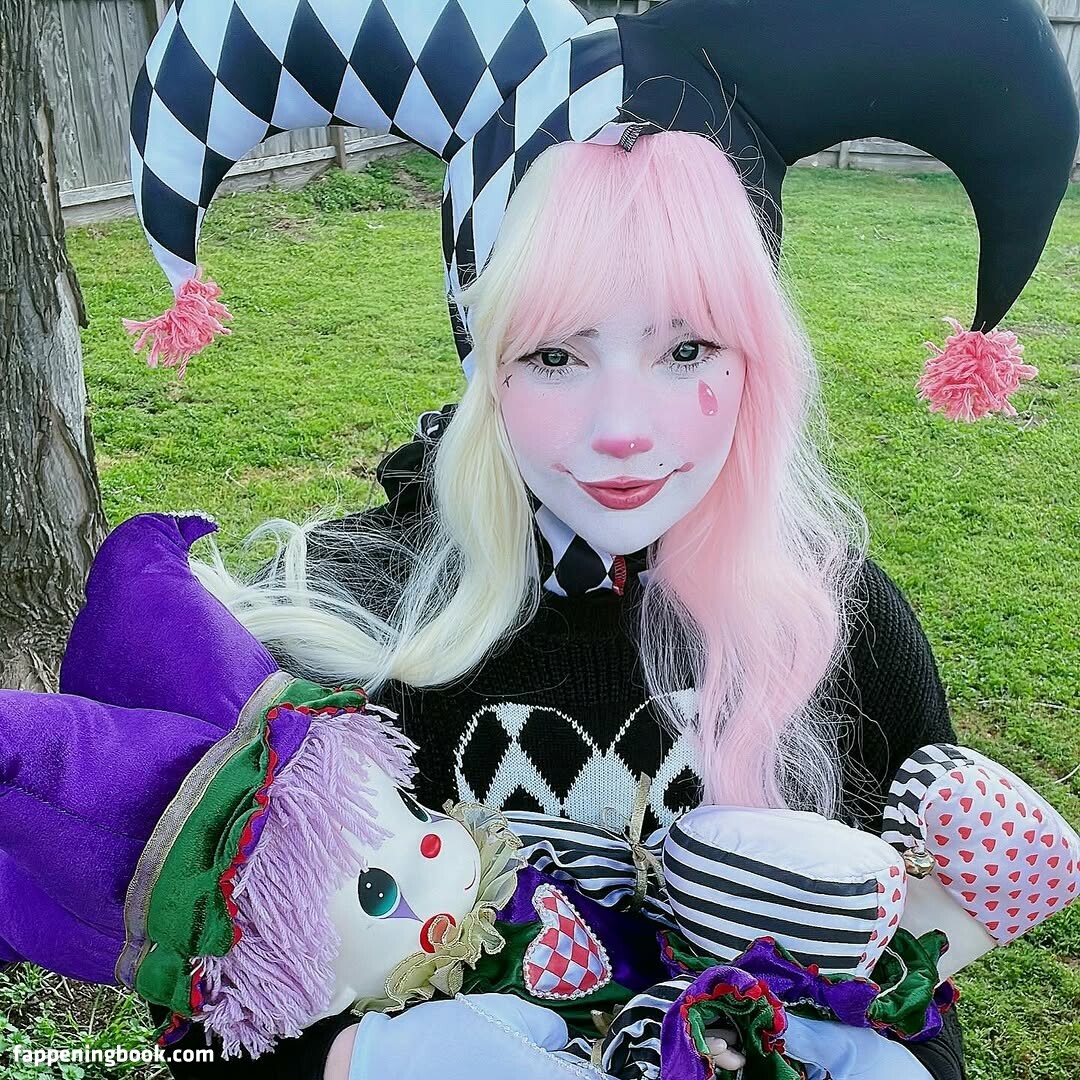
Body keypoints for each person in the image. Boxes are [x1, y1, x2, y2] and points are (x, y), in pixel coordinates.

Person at [116, 2, 1077, 1077]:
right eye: (555, 356)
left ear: (757, 358)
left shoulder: (838, 622)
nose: (624, 428)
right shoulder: (341, 620)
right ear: (481, 353)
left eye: (687, 349)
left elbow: (913, 987)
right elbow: (206, 1017)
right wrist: (354, 1063)